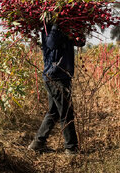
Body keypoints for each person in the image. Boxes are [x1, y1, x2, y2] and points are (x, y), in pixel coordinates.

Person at [28, 23, 85, 155]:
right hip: (54, 77)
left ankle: (37, 143)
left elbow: (81, 42)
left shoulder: (66, 30)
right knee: (66, 111)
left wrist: (78, 28)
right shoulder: (49, 30)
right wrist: (56, 24)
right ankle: (71, 148)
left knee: (54, 111)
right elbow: (52, 44)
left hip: (63, 76)